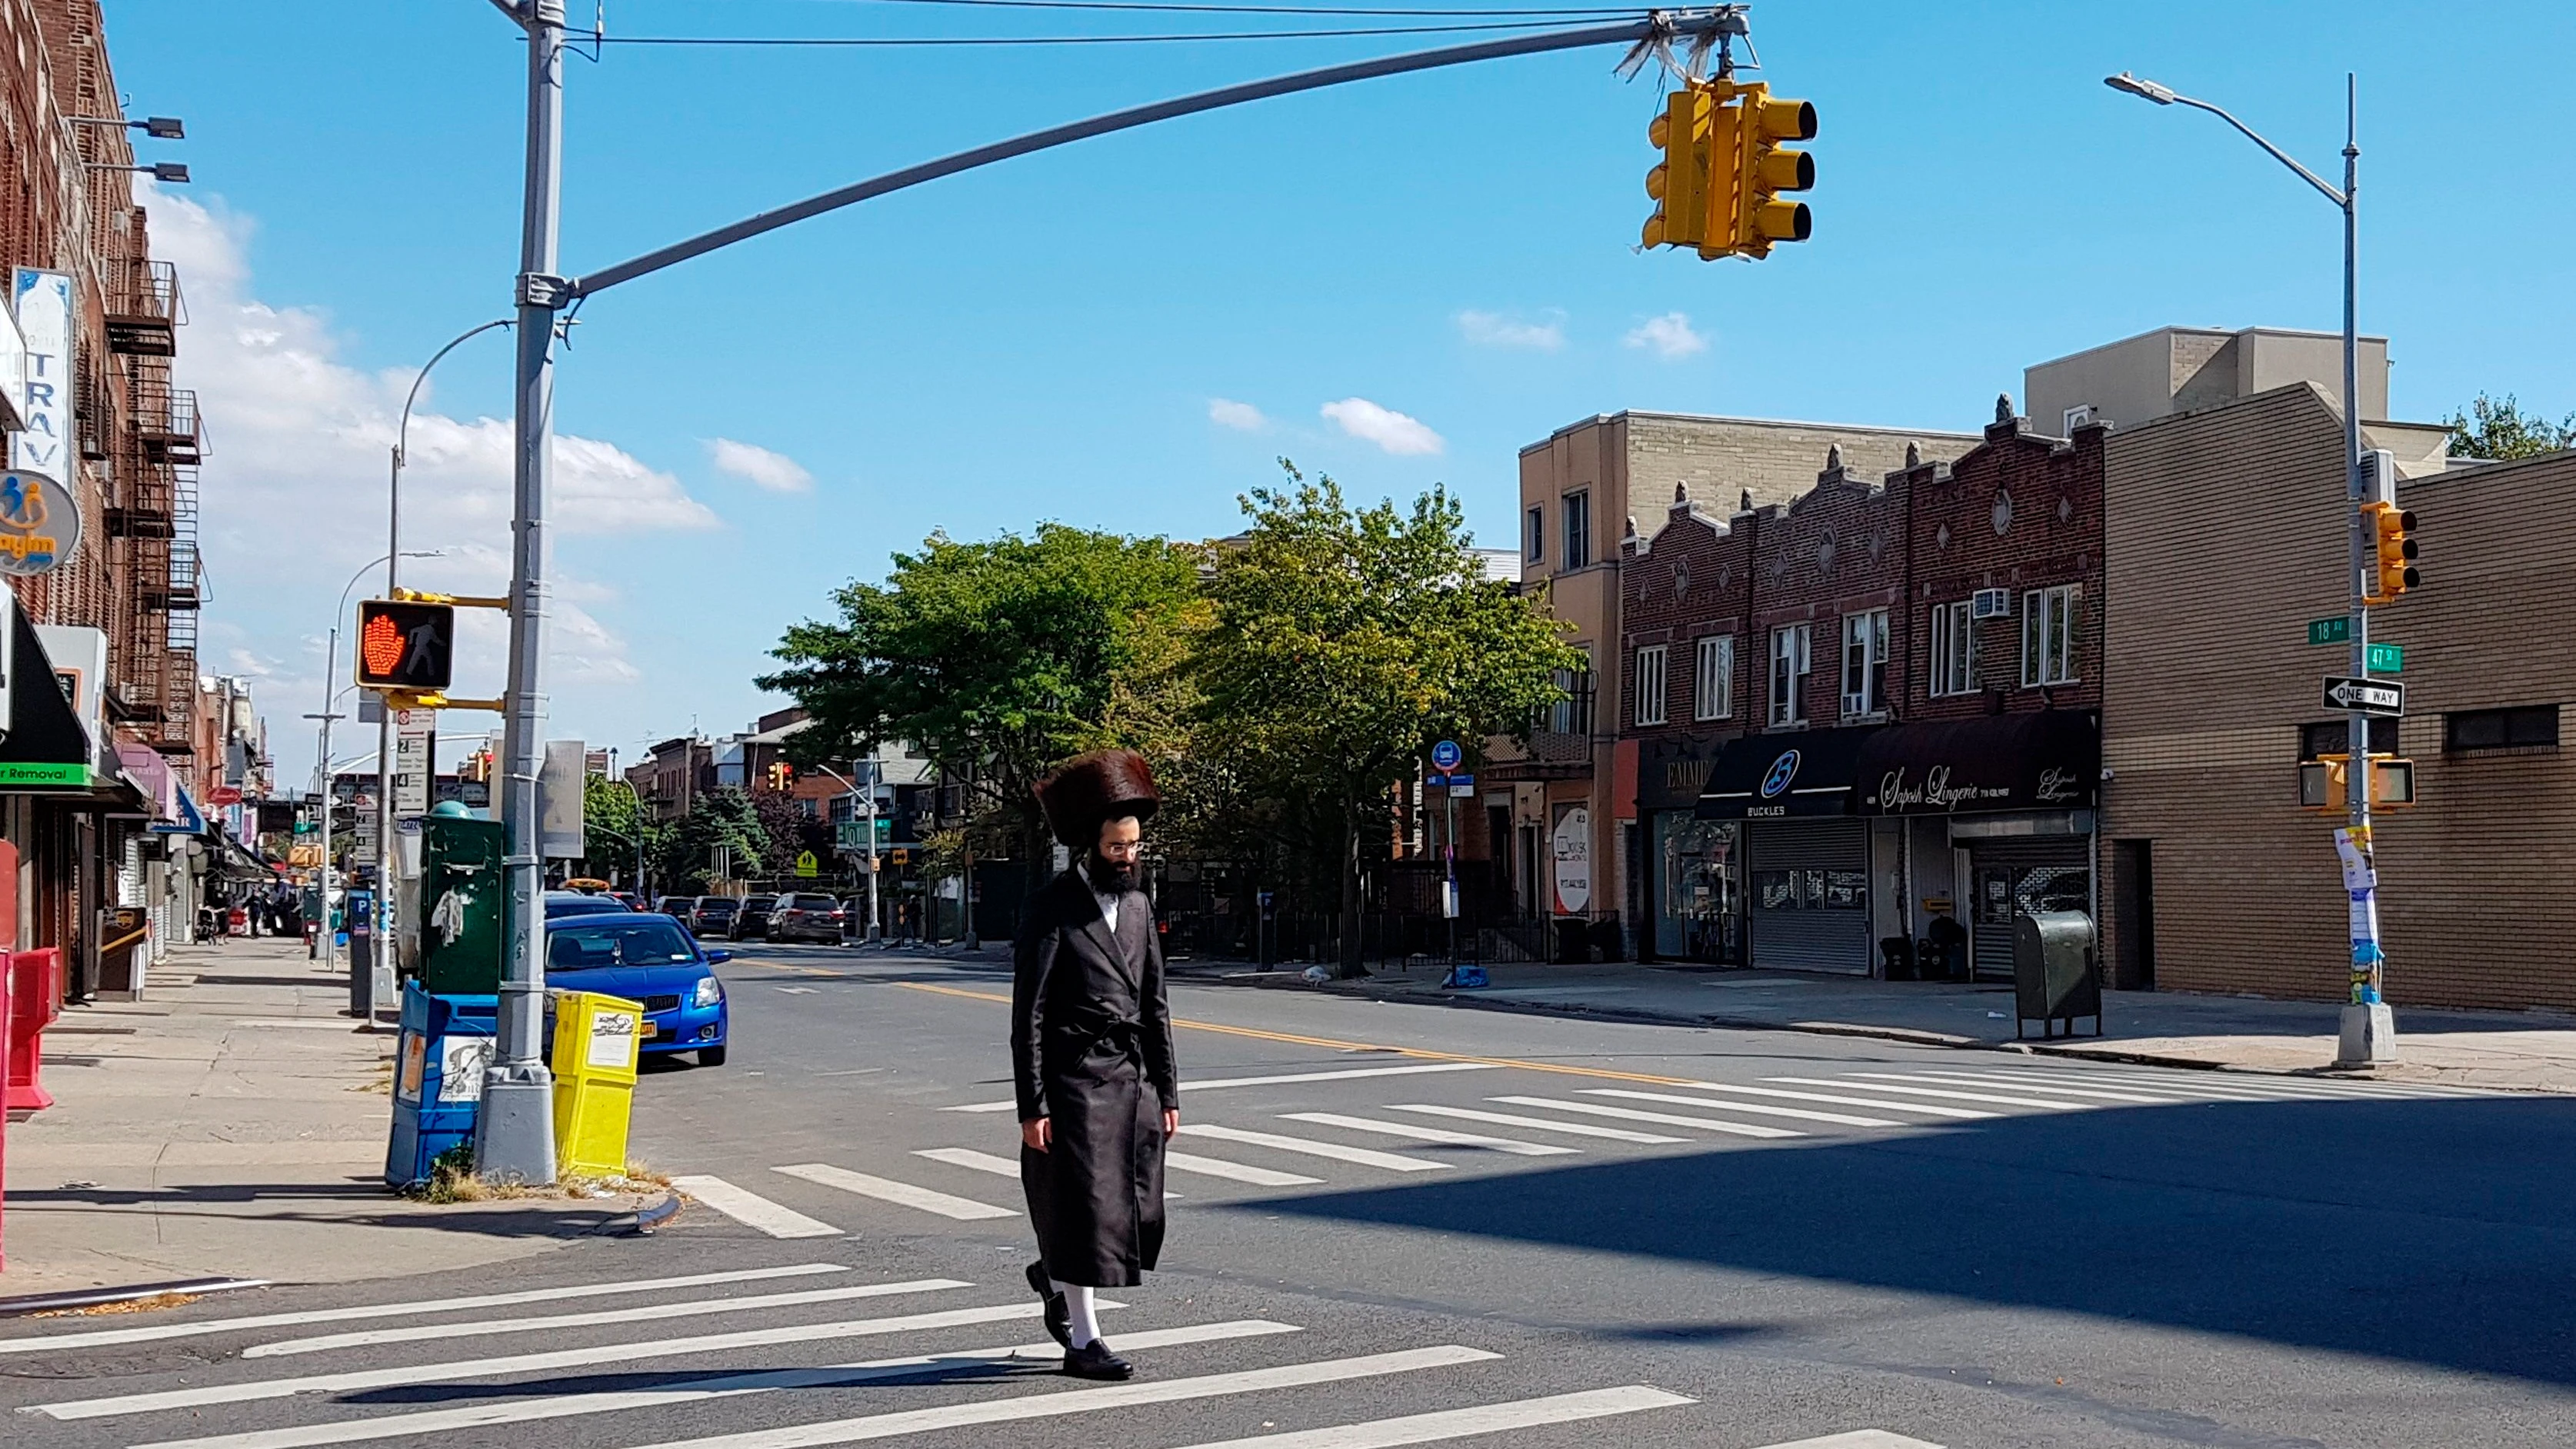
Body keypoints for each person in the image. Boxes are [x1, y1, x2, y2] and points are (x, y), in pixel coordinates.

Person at [1013, 748, 1179, 1382]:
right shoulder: (1051, 907)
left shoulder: (1138, 907)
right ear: (1090, 845)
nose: (1128, 856)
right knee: (1087, 1212)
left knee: (1140, 1212)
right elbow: (1026, 1012)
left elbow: (1155, 1002)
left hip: (1132, 1079)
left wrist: (1167, 1090)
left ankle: (1051, 1274)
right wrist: (1034, 1105)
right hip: (1074, 1081)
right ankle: (1083, 1339)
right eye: (1116, 847)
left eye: (1134, 845)